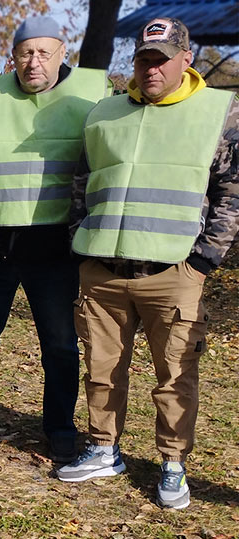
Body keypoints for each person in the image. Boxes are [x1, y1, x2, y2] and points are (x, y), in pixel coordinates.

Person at [57, 17, 239, 510]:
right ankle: (102, 448)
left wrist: (204, 260)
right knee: (100, 367)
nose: (151, 68)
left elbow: (231, 191)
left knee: (175, 376)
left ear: (186, 59)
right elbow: (82, 181)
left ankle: (173, 463)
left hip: (173, 275)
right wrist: (81, 238)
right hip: (104, 273)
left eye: (161, 59)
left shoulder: (218, 112)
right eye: (143, 58)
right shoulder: (104, 113)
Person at [0, 16, 112, 463]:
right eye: (24, 53)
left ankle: (58, 426)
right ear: (12, 55)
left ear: (61, 52)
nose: (33, 62)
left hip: (56, 250)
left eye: (43, 53)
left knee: (58, 343)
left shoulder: (93, 95)